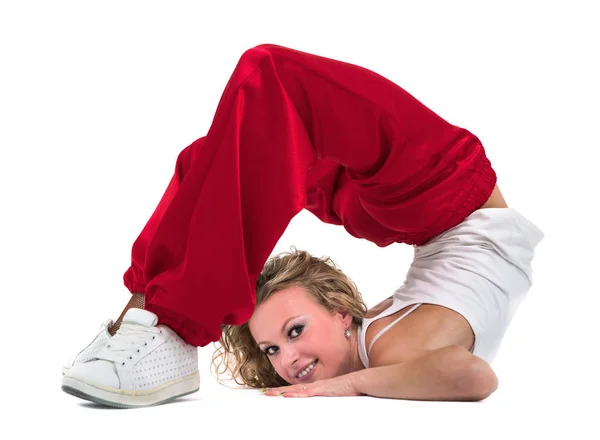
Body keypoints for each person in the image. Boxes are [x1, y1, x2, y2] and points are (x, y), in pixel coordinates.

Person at [61, 44, 544, 407]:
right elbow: (473, 377)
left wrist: (347, 383)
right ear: (340, 312)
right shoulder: (391, 351)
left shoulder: (373, 346)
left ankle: (146, 309)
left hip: (393, 216)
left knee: (207, 160)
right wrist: (350, 384)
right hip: (441, 193)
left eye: (277, 343)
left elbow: (467, 366)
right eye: (290, 334)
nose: (286, 360)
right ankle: (176, 322)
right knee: (272, 74)